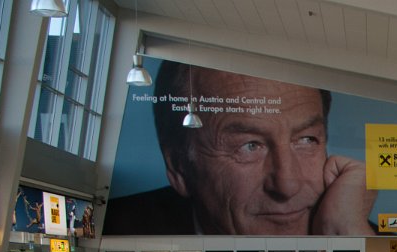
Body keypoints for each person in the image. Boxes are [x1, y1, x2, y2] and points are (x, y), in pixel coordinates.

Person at [103, 62, 376, 236]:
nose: (287, 184)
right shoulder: (110, 227)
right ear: (178, 167)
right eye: (250, 146)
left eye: (306, 140)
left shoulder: (363, 234)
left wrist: (348, 233)